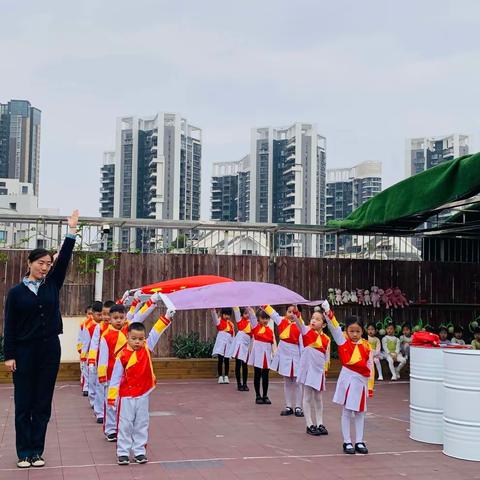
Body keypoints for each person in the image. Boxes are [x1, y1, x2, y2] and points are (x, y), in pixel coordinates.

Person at [3, 209, 79, 469]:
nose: (45, 267)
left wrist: (71, 232)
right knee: (24, 402)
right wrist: (9, 355)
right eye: (41, 263)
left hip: (49, 350)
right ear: (29, 263)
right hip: (23, 352)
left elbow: (65, 259)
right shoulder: (15, 293)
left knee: (42, 403)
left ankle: (37, 451)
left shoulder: (52, 284)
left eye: (48, 263)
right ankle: (23, 452)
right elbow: (9, 325)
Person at [107, 311, 175, 465]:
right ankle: (123, 452)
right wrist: (112, 397)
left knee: (142, 423)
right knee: (125, 425)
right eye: (134, 339)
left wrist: (167, 317)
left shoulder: (146, 349)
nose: (137, 342)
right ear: (127, 337)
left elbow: (156, 331)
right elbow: (116, 378)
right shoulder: (122, 355)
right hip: (126, 396)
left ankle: (139, 451)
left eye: (140, 339)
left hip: (143, 394)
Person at [322, 300, 373, 455]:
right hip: (347, 378)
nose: (355, 334)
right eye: (352, 331)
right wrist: (328, 311)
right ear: (347, 331)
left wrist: (370, 387)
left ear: (362, 331)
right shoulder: (343, 341)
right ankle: (347, 442)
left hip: (361, 381)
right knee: (347, 410)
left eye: (358, 331)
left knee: (360, 412)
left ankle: (359, 441)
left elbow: (370, 367)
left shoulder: (366, 346)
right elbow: (334, 327)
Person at [294, 311, 330, 436]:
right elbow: (299, 323)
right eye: (313, 318)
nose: (314, 321)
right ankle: (309, 424)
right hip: (308, 370)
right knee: (307, 397)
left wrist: (325, 371)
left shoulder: (326, 339)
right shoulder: (306, 331)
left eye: (318, 319)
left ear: (324, 324)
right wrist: (296, 313)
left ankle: (320, 423)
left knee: (318, 398)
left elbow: (327, 357)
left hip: (319, 371)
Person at [264, 304, 304, 417]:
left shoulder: (301, 325)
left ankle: (298, 407)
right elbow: (272, 313)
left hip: (296, 353)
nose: (291, 314)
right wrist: (264, 304)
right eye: (289, 312)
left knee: (297, 382)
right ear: (286, 312)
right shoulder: (281, 321)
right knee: (287, 381)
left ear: (298, 314)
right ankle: (288, 406)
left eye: (294, 312)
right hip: (284, 352)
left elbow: (303, 343)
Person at [97, 304, 129, 441]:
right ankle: (110, 429)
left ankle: (121, 427)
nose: (118, 320)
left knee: (122, 403)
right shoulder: (106, 335)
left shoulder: (129, 332)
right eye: (115, 318)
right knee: (110, 402)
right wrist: (102, 376)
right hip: (110, 375)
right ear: (110, 319)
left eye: (121, 318)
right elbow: (102, 358)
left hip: (125, 376)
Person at [87, 301, 111, 422]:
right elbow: (94, 344)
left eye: (108, 314)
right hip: (100, 363)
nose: (105, 317)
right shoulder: (99, 327)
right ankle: (100, 412)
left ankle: (109, 411)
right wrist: (91, 361)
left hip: (113, 364)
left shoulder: (120, 327)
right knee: (99, 387)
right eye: (103, 314)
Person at [247, 307, 274, 405]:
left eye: (267, 318)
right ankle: (258, 395)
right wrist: (249, 307)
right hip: (258, 353)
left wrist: (274, 353)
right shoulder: (255, 327)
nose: (265, 320)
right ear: (258, 318)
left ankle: (265, 395)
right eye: (263, 318)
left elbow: (272, 342)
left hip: (266, 354)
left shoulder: (270, 330)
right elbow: (252, 315)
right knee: (257, 374)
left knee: (266, 375)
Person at [81, 301, 103, 409]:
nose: (101, 317)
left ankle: (99, 403)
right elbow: (86, 343)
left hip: (102, 357)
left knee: (100, 382)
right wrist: (85, 358)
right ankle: (93, 401)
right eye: (98, 315)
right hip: (91, 357)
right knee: (92, 380)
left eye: (102, 314)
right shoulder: (88, 326)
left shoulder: (105, 325)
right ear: (93, 314)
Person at [227, 307, 252, 391]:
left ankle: (245, 384)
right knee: (238, 364)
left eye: (248, 313)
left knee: (245, 365)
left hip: (247, 345)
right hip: (240, 344)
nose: (247, 315)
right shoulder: (240, 321)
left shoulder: (253, 322)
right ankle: (239, 384)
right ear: (241, 315)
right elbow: (236, 310)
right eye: (245, 313)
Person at [211, 308, 235, 384]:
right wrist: (213, 310)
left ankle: (226, 376)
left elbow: (233, 335)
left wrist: (233, 346)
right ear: (222, 314)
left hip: (228, 344)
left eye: (228, 314)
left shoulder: (231, 324)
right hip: (221, 344)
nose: (227, 316)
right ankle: (220, 376)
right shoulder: (219, 321)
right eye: (225, 314)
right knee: (220, 360)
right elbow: (214, 317)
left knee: (227, 360)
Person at [77, 305, 93, 397]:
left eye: (92, 313)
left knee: (91, 370)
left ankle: (90, 387)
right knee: (84, 369)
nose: (90, 316)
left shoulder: (97, 324)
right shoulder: (83, 323)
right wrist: (80, 348)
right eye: (88, 314)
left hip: (93, 350)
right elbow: (80, 337)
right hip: (84, 350)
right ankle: (85, 388)